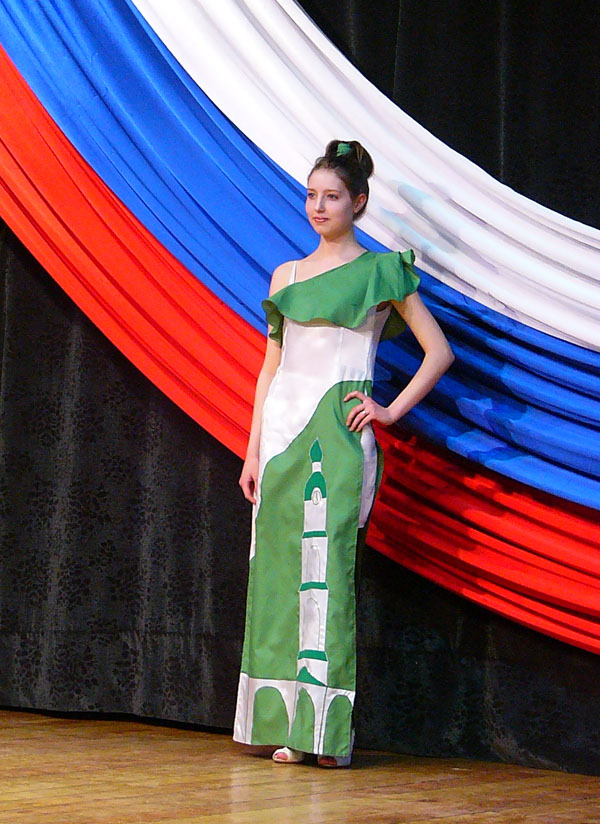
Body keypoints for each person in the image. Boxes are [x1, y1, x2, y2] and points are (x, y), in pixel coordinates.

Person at [233, 139, 454, 767]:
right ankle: (285, 728)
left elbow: (439, 352)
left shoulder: (382, 271)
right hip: (281, 437)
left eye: (332, 196)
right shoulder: (286, 275)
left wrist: (388, 410)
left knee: (326, 575)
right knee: (277, 577)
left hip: (338, 436)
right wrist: (252, 451)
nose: (318, 206)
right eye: (311, 195)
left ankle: (327, 735)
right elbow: (270, 368)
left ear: (357, 202)